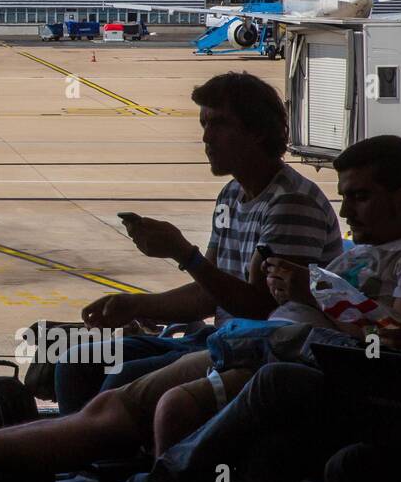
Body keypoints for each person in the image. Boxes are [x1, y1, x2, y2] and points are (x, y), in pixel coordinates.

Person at [49, 134, 401, 482]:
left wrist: (312, 295)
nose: (345, 212)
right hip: (269, 345)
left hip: (319, 367)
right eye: (343, 197)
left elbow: (393, 342)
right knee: (93, 368)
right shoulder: (356, 251)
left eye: (360, 197)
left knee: (228, 391)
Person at [55, 72, 342, 413]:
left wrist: (183, 253)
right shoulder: (232, 194)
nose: (206, 137)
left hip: (254, 350)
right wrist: (136, 305)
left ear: (258, 131)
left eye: (219, 124)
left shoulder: (292, 204)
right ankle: (87, 452)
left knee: (124, 377)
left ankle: (106, 454)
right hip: (218, 338)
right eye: (204, 124)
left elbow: (262, 309)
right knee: (76, 362)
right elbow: (210, 293)